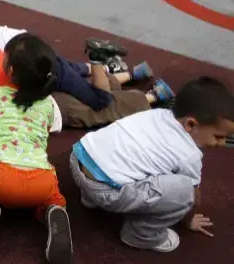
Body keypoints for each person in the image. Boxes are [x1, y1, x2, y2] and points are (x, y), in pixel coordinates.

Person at [69, 77, 234, 253]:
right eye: (218, 136)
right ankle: (141, 235)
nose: (223, 143)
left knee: (134, 159)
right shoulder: (190, 155)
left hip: (78, 159)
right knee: (185, 191)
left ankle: (89, 197)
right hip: (105, 191)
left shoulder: (156, 114)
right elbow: (193, 197)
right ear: (190, 124)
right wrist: (188, 221)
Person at [0, 33, 73, 264]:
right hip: (40, 181)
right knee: (53, 192)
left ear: (10, 70)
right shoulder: (48, 105)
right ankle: (52, 210)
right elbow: (46, 138)